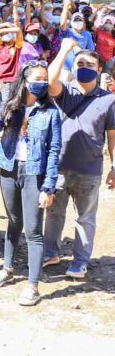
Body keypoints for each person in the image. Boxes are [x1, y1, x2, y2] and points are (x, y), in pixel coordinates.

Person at [0, 61, 61, 306]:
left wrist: (48, 187)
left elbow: (54, 151)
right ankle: (7, 268)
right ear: (25, 80)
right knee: (13, 221)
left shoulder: (50, 112)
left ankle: (33, 285)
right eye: (37, 78)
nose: (42, 82)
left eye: (44, 78)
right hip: (9, 168)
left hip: (34, 173)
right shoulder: (12, 105)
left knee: (33, 230)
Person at [44, 38, 115, 279]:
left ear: (99, 70)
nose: (84, 65)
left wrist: (114, 166)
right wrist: (64, 50)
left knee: (85, 218)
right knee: (54, 213)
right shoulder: (65, 91)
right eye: (80, 62)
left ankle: (80, 261)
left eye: (89, 63)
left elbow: (112, 137)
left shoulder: (109, 99)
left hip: (90, 169)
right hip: (59, 167)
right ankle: (50, 253)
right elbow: (49, 80)